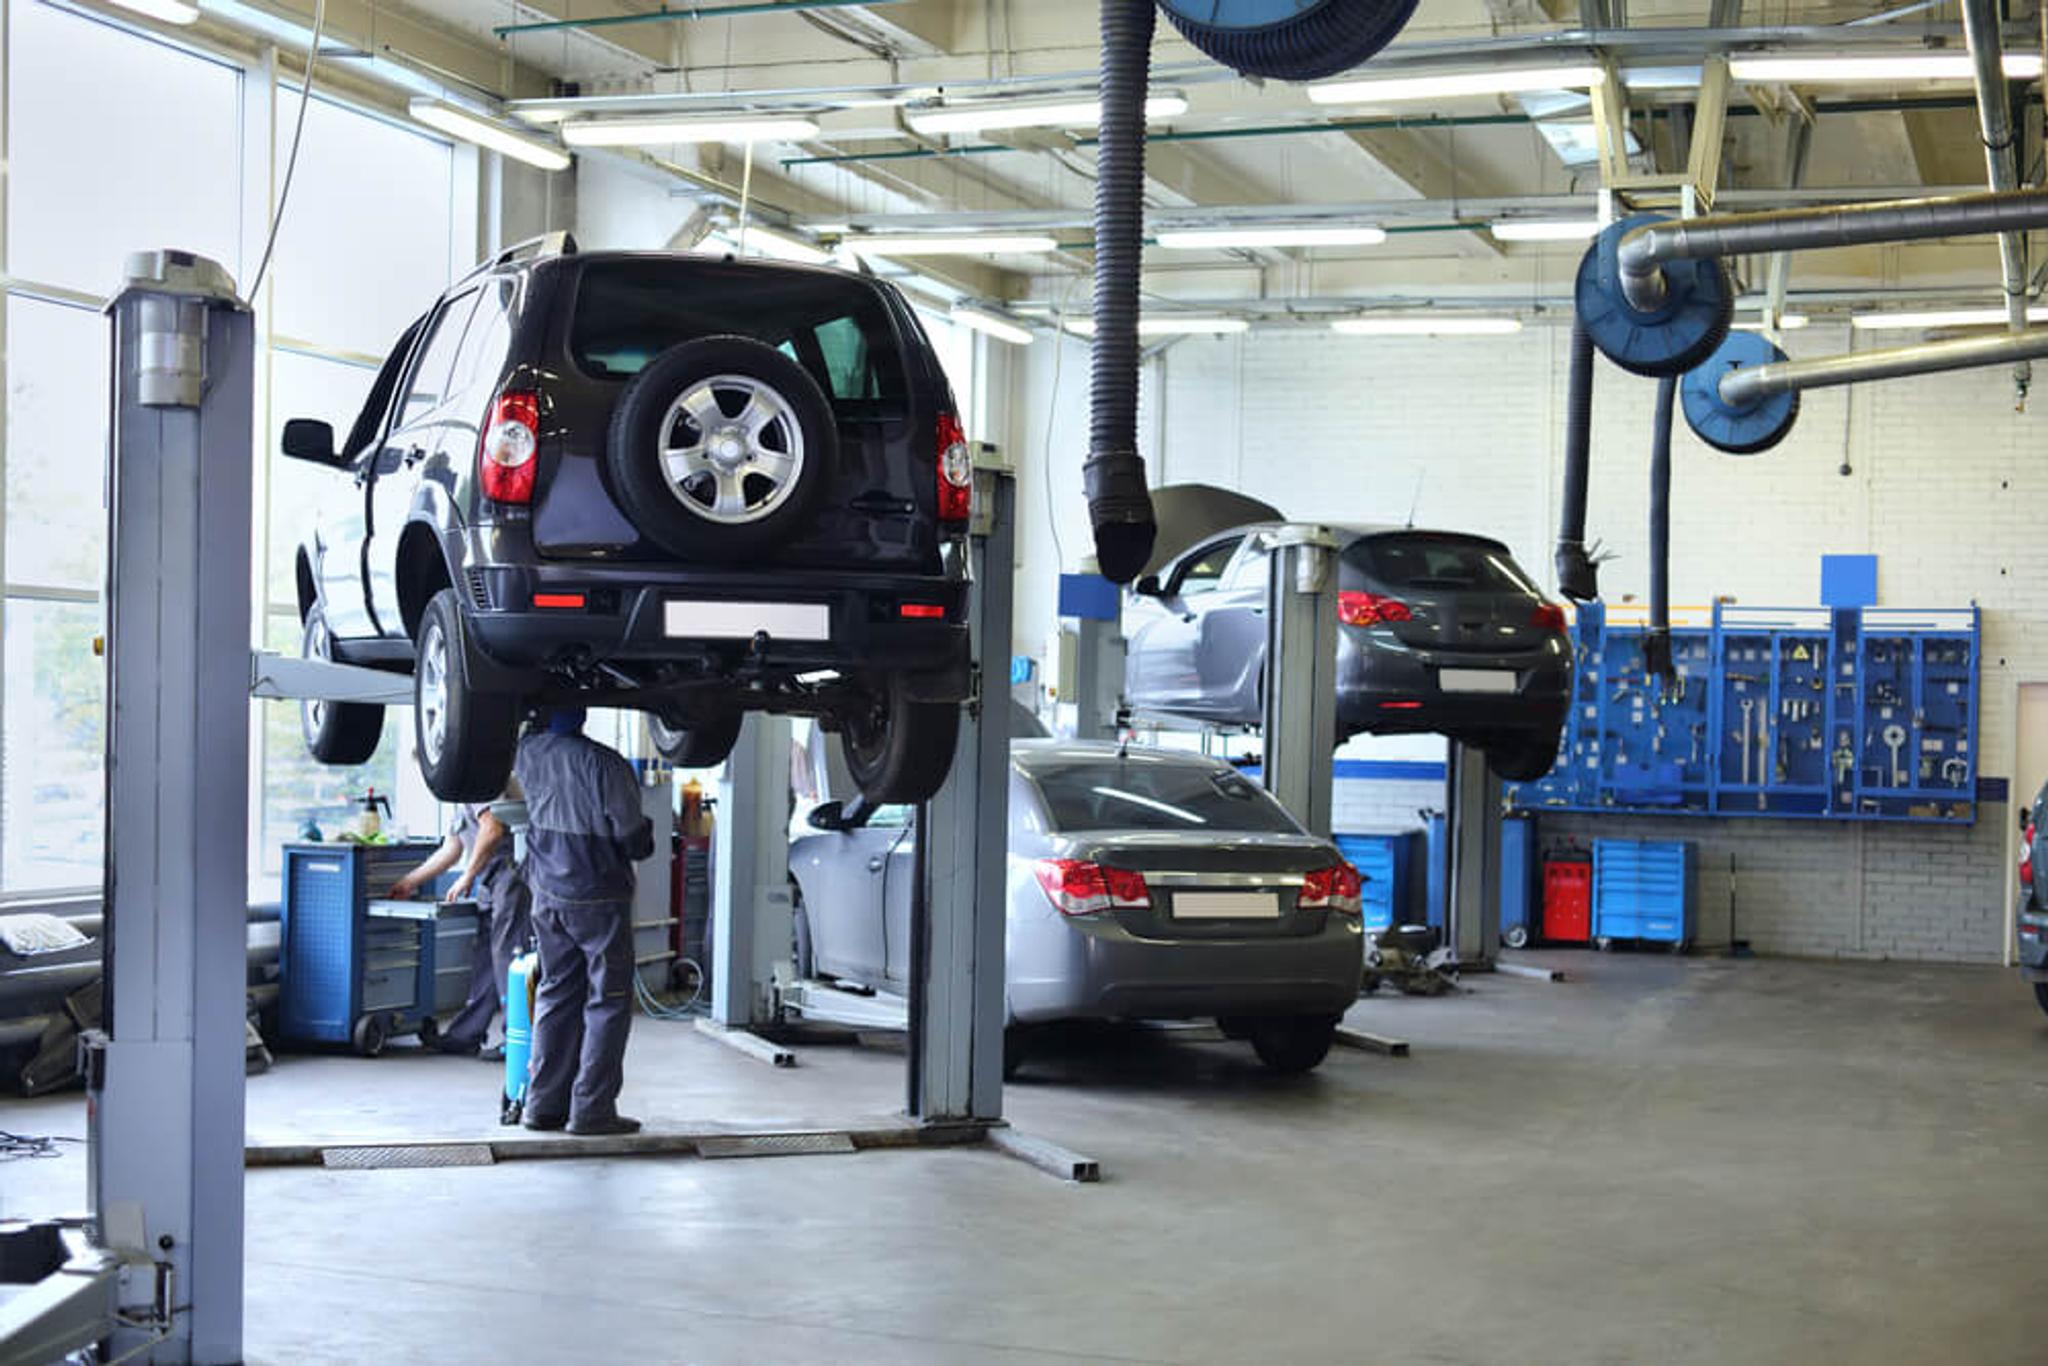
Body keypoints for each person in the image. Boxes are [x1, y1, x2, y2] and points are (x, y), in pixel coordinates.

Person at [513, 706, 654, 1136]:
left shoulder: (526, 753)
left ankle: (542, 1106)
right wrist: (644, 836)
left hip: (546, 892)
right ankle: (591, 1110)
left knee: (556, 991)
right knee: (607, 1000)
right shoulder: (604, 763)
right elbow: (632, 836)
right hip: (597, 893)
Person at [390, 790, 530, 1061]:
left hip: (511, 875)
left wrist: (467, 876)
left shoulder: (480, 784)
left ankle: (517, 1043)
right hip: (491, 880)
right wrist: (410, 881)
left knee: (508, 960)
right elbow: (452, 849)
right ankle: (466, 1034)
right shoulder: (460, 799)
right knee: (486, 962)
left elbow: (492, 828)